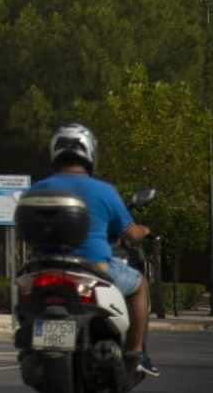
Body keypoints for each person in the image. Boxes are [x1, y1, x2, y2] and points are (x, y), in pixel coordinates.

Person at [30, 124, 159, 378]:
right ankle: (136, 353)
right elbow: (131, 235)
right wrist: (144, 230)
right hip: (94, 270)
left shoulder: (38, 189)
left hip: (45, 268)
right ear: (89, 154)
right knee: (140, 284)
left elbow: (26, 228)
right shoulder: (104, 191)